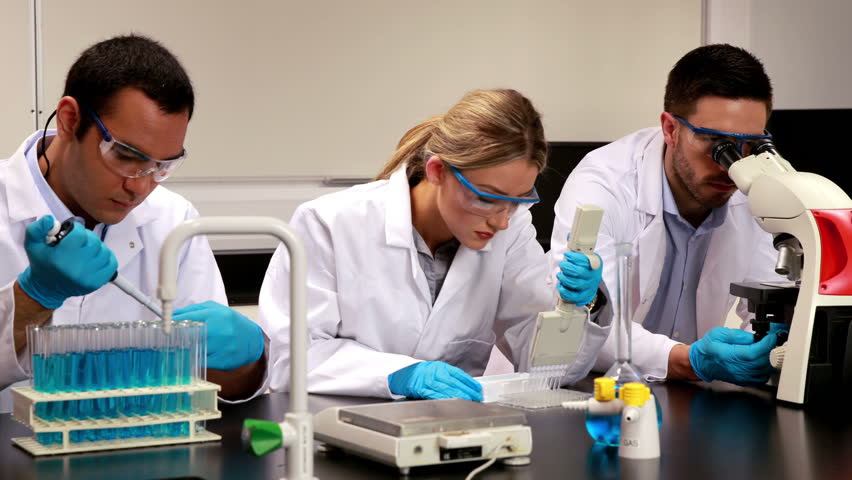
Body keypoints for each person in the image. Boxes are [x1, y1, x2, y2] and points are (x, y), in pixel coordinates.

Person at [257, 89, 611, 401]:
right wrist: (397, 375)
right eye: (487, 199)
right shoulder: (330, 223)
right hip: (336, 435)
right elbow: (291, 361)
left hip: (455, 438)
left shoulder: (510, 229)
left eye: (517, 201)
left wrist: (583, 306)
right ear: (438, 171)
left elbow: (547, 370)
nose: (502, 220)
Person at [0, 35, 264, 411]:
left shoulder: (173, 220)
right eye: (125, 155)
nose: (139, 186)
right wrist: (34, 297)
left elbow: (214, 386)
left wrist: (248, 363)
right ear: (70, 119)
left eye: (162, 166)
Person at [550, 44, 785, 386]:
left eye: (750, 146)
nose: (733, 165)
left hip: (695, 396)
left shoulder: (759, 190)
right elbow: (584, 332)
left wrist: (771, 344)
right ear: (671, 129)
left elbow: (768, 308)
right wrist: (689, 360)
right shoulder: (604, 184)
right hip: (605, 392)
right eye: (716, 143)